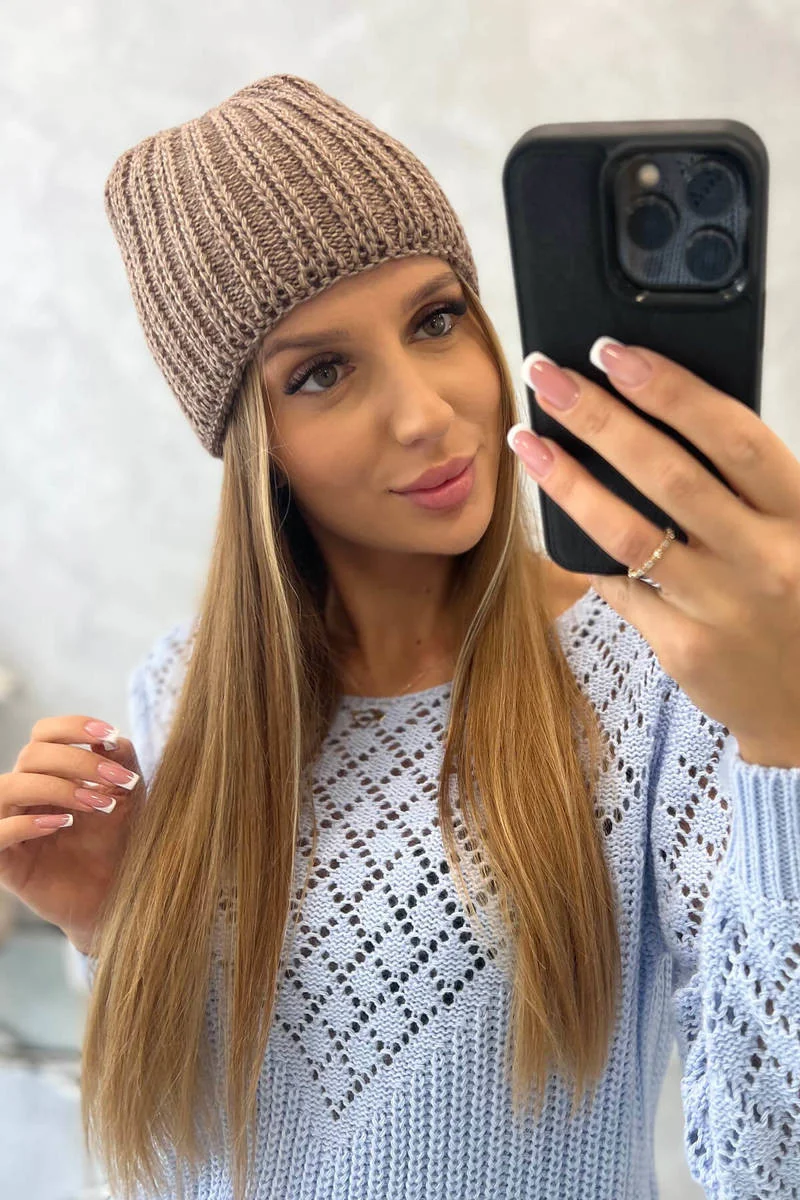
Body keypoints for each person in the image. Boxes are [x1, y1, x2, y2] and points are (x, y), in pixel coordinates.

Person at [2, 74, 799, 1200]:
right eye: (321, 373)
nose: (426, 412)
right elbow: (192, 1153)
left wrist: (784, 745)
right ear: (251, 444)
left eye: (435, 319)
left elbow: (769, 1162)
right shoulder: (176, 690)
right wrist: (113, 935)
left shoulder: (660, 671)